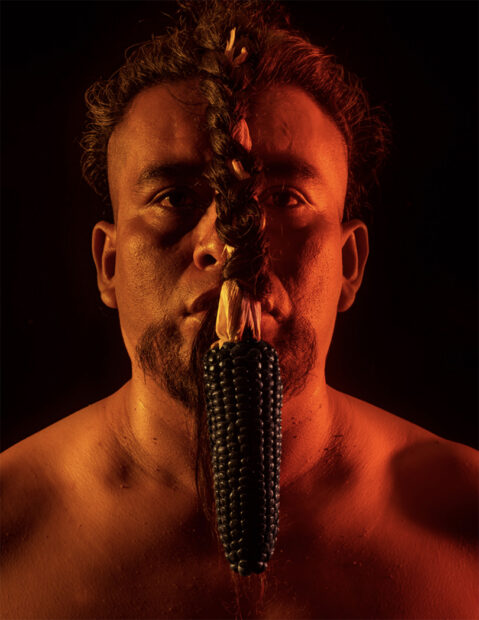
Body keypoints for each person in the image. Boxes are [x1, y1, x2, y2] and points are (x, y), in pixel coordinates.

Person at [1, 1, 478, 618]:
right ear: (108, 264)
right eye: (173, 197)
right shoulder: (12, 535)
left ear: (350, 264)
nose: (226, 245)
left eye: (284, 197)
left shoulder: (464, 529)